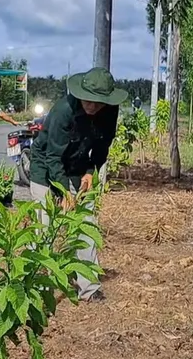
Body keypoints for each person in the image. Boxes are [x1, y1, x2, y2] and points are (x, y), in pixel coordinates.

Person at [28, 66, 126, 302]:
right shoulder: (63, 110)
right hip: (46, 169)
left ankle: (89, 288)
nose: (91, 106)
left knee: (86, 225)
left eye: (98, 102)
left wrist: (91, 170)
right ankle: (37, 287)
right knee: (45, 228)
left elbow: (103, 145)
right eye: (88, 100)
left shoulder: (109, 111)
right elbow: (52, 156)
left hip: (78, 169)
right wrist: (63, 193)